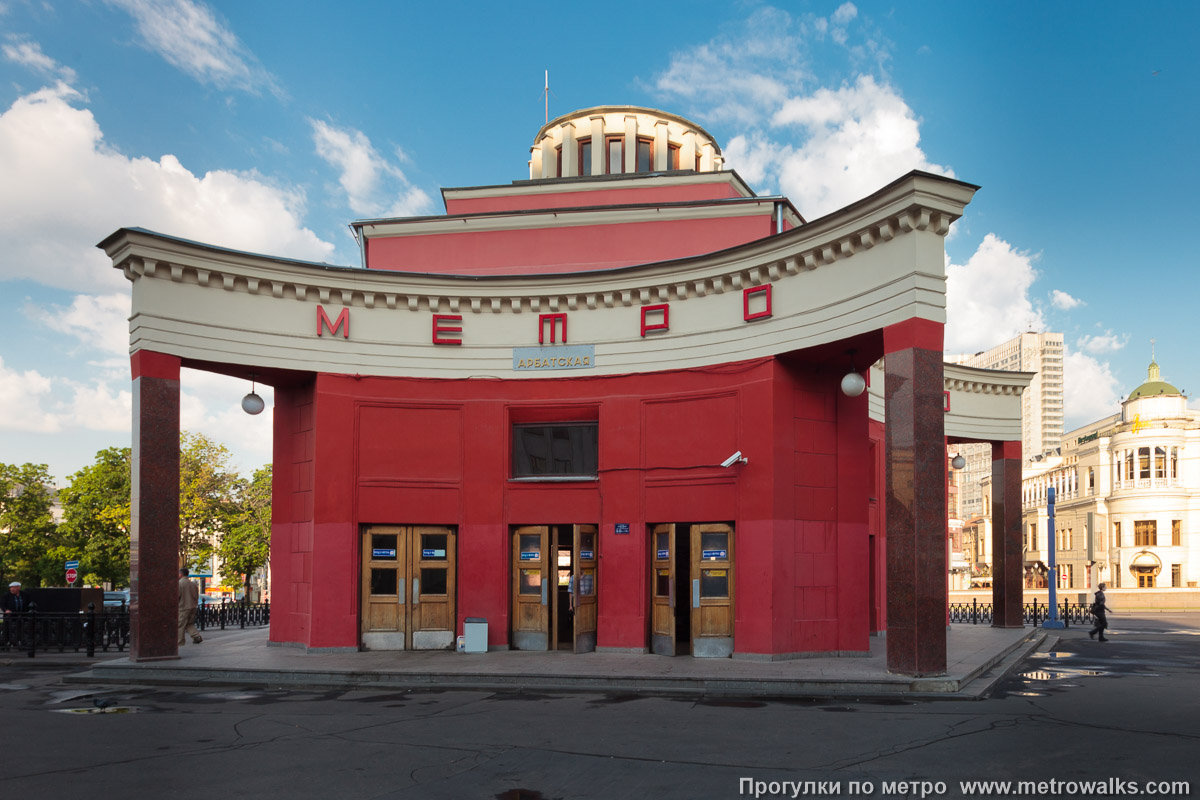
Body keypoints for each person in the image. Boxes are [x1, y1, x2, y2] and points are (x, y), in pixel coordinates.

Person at [178, 568, 202, 645]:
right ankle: (196, 636)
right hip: (193, 606)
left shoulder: (180, 583)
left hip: (183, 607)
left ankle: (180, 641)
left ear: (180, 574)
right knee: (189, 623)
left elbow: (177, 596)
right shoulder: (193, 584)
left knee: (180, 625)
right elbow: (196, 596)